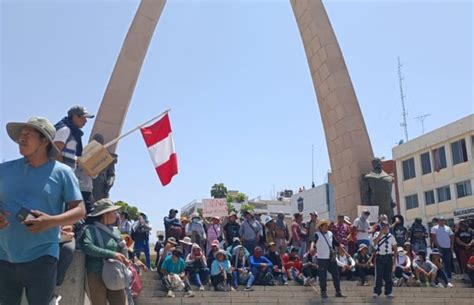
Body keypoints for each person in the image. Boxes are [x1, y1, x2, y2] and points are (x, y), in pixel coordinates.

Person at [0, 117, 85, 305]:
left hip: (42, 256)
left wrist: (51, 221)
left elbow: (79, 210)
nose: (21, 138)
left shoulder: (62, 172)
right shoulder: (3, 170)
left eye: (27, 134)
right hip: (3, 255)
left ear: (45, 140)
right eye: (20, 135)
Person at [80, 199, 131, 305]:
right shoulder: (90, 229)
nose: (116, 215)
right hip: (96, 272)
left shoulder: (116, 231)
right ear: (105, 214)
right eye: (114, 212)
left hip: (115, 273)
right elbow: (87, 246)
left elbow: (119, 250)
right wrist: (112, 254)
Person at [53, 106, 95, 214]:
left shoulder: (70, 130)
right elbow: (55, 151)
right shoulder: (65, 129)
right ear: (75, 117)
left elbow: (64, 153)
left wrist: (75, 160)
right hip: (60, 178)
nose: (86, 121)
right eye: (84, 118)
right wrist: (65, 174)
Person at [314, 219, 345, 299]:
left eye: (326, 225)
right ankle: (323, 291)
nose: (326, 227)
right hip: (322, 258)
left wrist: (341, 249)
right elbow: (312, 242)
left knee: (336, 275)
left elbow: (336, 243)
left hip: (331, 257)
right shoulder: (317, 234)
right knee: (322, 276)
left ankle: (338, 291)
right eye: (324, 225)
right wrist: (311, 247)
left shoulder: (330, 234)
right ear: (320, 227)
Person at [372, 221, 397, 298]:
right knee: (378, 275)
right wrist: (381, 233)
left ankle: (388, 292)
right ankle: (377, 291)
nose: (386, 229)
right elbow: (374, 242)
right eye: (384, 227)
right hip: (379, 257)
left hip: (388, 257)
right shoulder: (377, 234)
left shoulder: (391, 236)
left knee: (388, 276)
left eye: (387, 227)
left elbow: (395, 248)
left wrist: (395, 259)